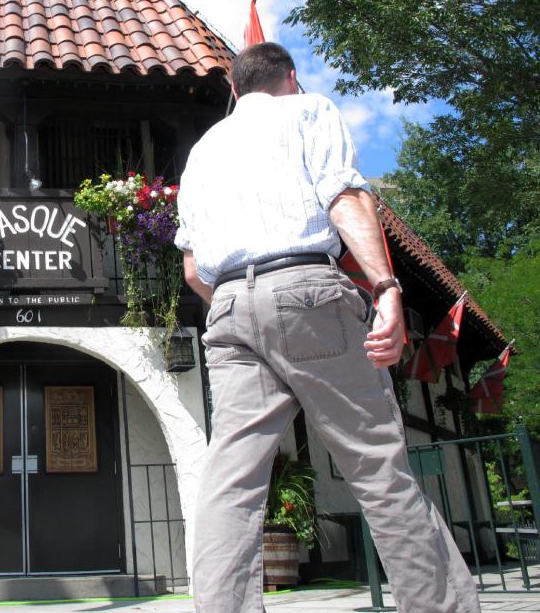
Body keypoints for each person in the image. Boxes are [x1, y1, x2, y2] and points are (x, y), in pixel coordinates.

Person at [175, 42, 479, 613]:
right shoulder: (309, 110)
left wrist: (248, 303)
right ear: (291, 78)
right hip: (308, 290)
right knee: (376, 464)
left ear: (234, 91)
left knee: (231, 482)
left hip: (229, 306)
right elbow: (343, 197)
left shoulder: (202, 151)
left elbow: (192, 268)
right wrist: (386, 287)